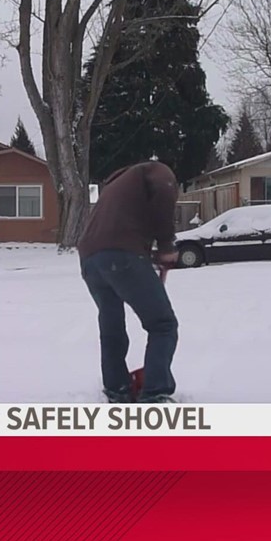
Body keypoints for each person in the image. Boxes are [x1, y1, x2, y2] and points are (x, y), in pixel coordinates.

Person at [77, 161, 180, 403]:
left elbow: (123, 225)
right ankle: (155, 393)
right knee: (163, 324)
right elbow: (164, 189)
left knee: (111, 325)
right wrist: (166, 245)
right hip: (122, 255)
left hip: (90, 260)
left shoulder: (114, 187)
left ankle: (117, 388)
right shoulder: (156, 171)